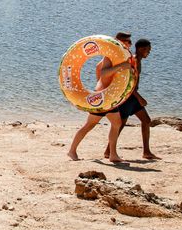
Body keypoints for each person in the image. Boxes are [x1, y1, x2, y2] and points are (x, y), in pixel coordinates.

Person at [68, 32, 134, 163]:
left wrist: (100, 86)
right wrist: (119, 68)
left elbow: (98, 67)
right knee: (105, 124)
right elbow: (104, 73)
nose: (129, 44)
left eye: (130, 41)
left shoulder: (115, 55)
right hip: (104, 97)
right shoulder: (110, 56)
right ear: (118, 41)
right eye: (127, 41)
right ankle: (74, 151)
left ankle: (74, 151)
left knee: (103, 124)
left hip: (105, 95)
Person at [105, 39, 160, 160]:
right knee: (120, 125)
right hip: (128, 97)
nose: (149, 53)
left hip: (132, 96)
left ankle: (146, 152)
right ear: (141, 49)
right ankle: (108, 150)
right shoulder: (133, 61)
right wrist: (139, 97)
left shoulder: (138, 61)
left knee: (146, 121)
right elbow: (128, 83)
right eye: (148, 50)